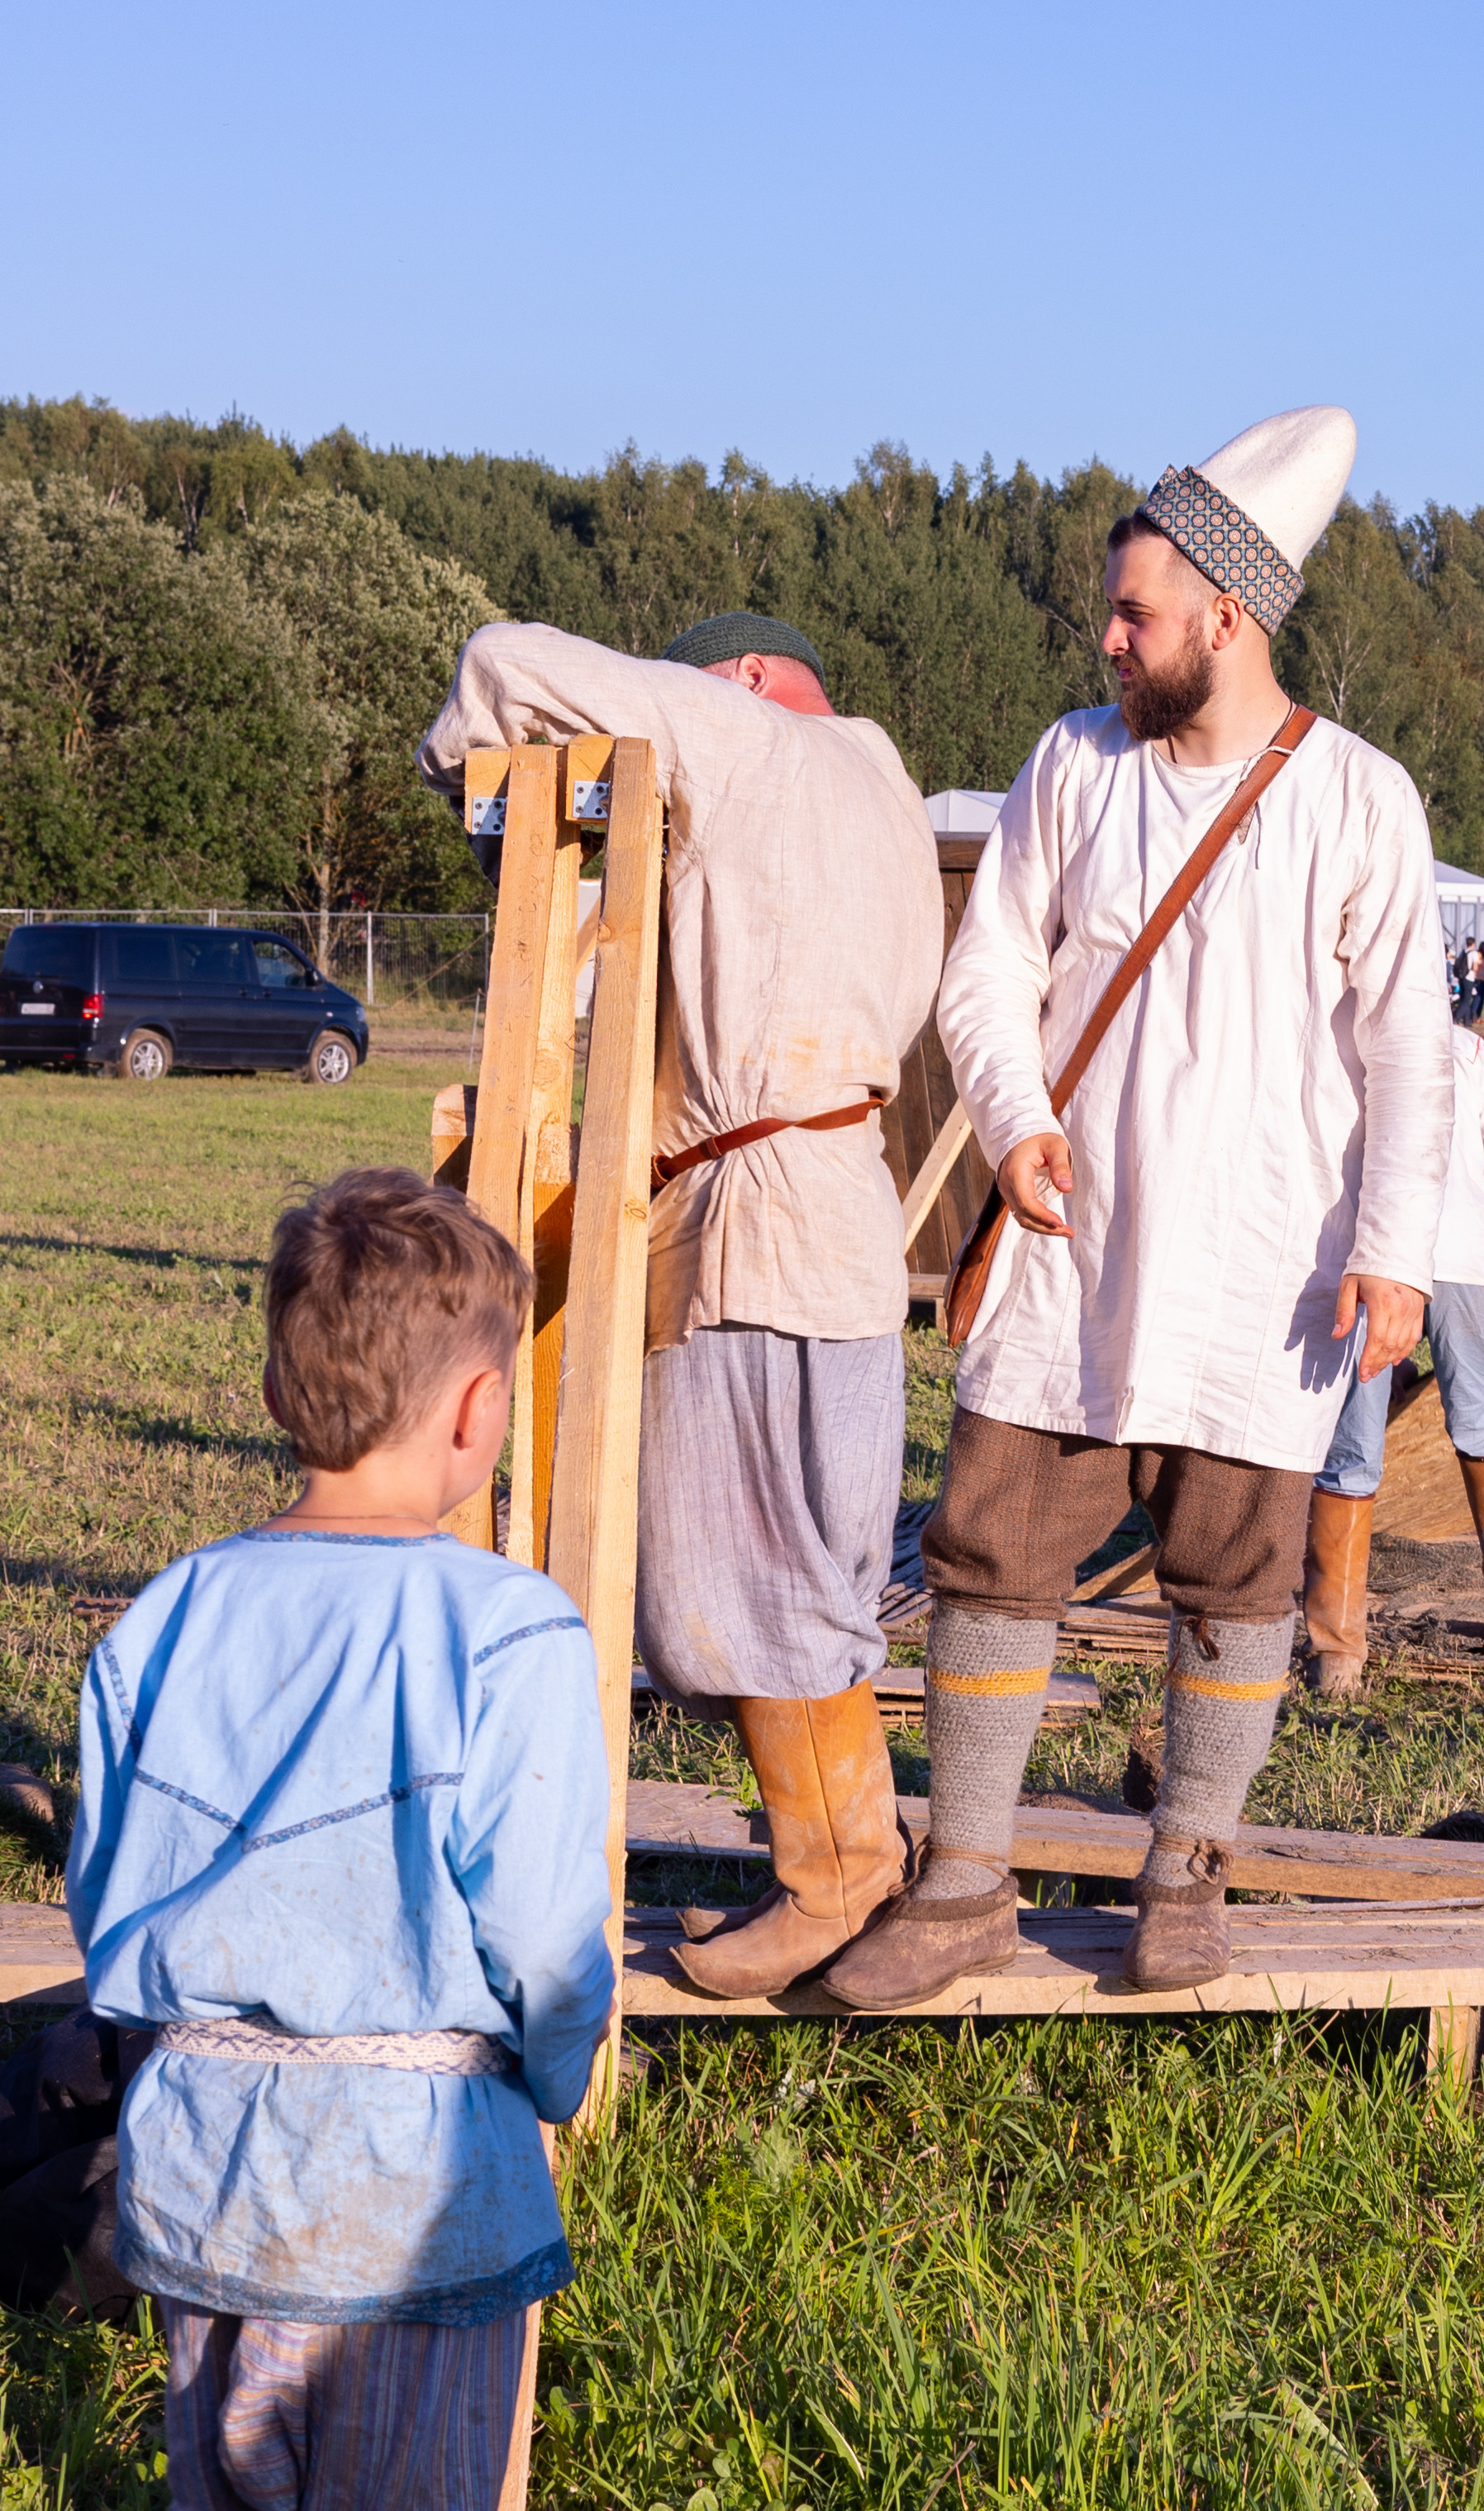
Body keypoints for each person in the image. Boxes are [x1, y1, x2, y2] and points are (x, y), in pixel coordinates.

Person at [819, 405, 1455, 2010]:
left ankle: (1186, 1871)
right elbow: (992, 966)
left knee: (1234, 1577)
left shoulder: (1356, 799)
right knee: (988, 1550)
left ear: (1226, 621)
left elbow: (1404, 1043)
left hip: (1264, 1268)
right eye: (1110, 612)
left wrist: (1391, 1252)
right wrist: (1018, 1125)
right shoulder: (1068, 765)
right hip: (1070, 1253)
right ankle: (960, 1883)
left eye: (1135, 614)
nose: (1106, 639)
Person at [66, 1170, 616, 2510]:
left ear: (272, 1394)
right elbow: (545, 1936)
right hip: (417, 2196)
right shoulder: (508, 1631)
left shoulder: (161, 1621)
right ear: (482, 1408)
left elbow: (108, 1912)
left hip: (202, 2174)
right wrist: (554, 2079)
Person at [420, 610, 944, 1998]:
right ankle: (848, 1849)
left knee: (720, 1579)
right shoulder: (880, 788)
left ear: (743, 678)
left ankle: (835, 1872)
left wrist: (461, 780)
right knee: (814, 1570)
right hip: (832, 1208)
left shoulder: (745, 735)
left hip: (755, 1222)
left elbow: (502, 659)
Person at [1304, 1032, 1484, 1694]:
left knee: (1352, 1447)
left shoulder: (1347, 1036)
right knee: (1478, 1415)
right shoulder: (1471, 1053)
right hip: (1459, 1261)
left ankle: (1338, 1653)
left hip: (1375, 1260)